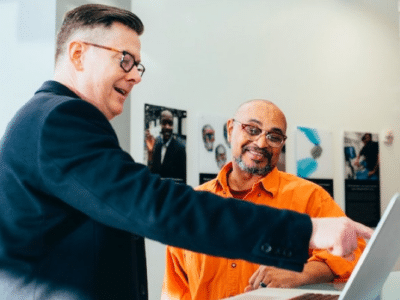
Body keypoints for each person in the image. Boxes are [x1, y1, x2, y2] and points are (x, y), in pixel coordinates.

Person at [0, 4, 373, 300]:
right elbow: (155, 206)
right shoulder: (61, 118)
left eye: (138, 64)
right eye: (124, 59)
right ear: (78, 54)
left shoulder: (47, 119)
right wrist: (305, 231)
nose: (135, 75)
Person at [162, 100, 367, 300]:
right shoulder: (191, 206)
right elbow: (176, 290)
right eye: (252, 129)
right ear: (230, 129)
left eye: (274, 136)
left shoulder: (309, 196)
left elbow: (356, 253)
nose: (261, 143)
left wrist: (302, 273)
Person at [145, 110, 187, 184]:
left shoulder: (180, 149)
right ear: (160, 124)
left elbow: (182, 180)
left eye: (170, 123)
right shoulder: (157, 146)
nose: (167, 127)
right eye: (164, 123)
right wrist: (150, 153)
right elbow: (151, 174)